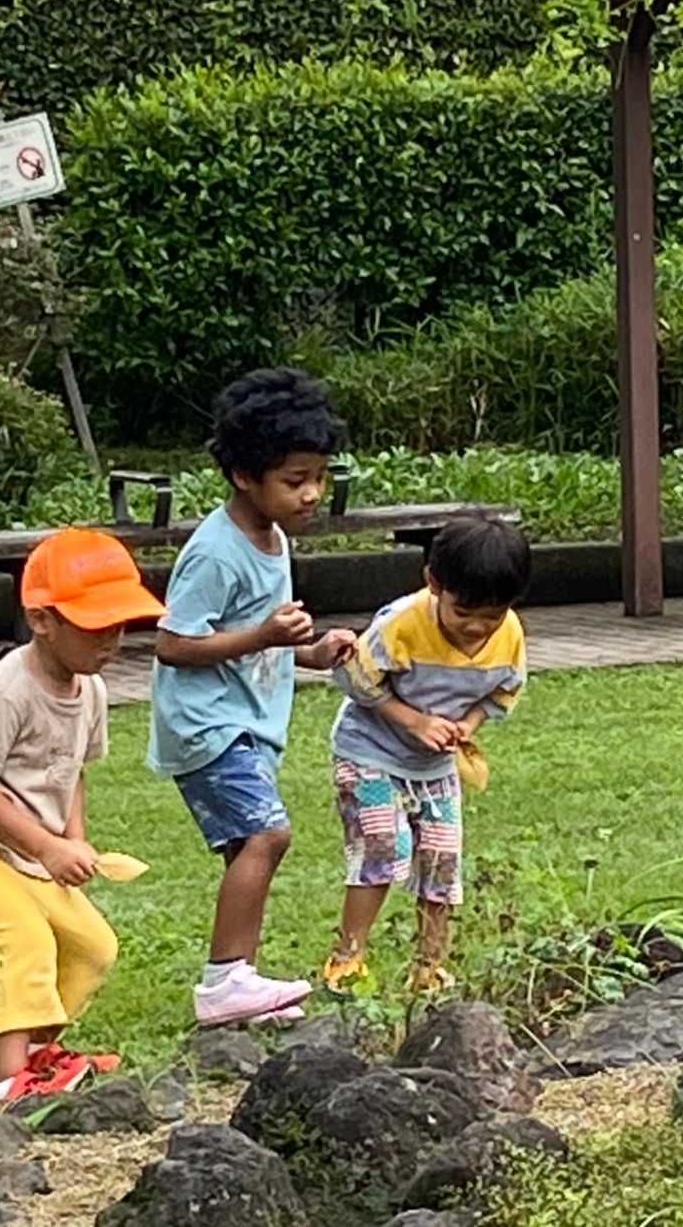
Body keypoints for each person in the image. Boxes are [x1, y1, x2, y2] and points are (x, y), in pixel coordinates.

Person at [0, 528, 164, 1106]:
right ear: (41, 619)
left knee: (93, 946)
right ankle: (9, 1085)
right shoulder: (3, 694)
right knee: (26, 939)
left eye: (119, 625)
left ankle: (39, 1054)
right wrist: (47, 847)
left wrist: (72, 841)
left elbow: (72, 771)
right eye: (94, 626)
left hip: (30, 849)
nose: (110, 641)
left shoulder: (91, 689)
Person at [149, 367, 356, 1026]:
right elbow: (173, 643)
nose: (311, 493)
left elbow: (261, 639)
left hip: (243, 722)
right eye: (295, 480)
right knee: (268, 833)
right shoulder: (215, 552)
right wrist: (264, 634)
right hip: (207, 725)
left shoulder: (274, 538)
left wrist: (312, 651)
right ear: (244, 475)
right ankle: (223, 982)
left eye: (318, 476)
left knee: (249, 846)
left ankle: (240, 982)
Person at [324, 512, 531, 995]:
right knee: (383, 846)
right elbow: (354, 678)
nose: (476, 627)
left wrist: (467, 726)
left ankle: (429, 967)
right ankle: (347, 959)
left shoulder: (509, 634)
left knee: (441, 858)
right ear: (434, 584)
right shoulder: (402, 623)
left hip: (433, 766)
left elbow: (502, 691)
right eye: (464, 612)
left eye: (492, 616)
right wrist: (414, 721)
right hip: (369, 753)